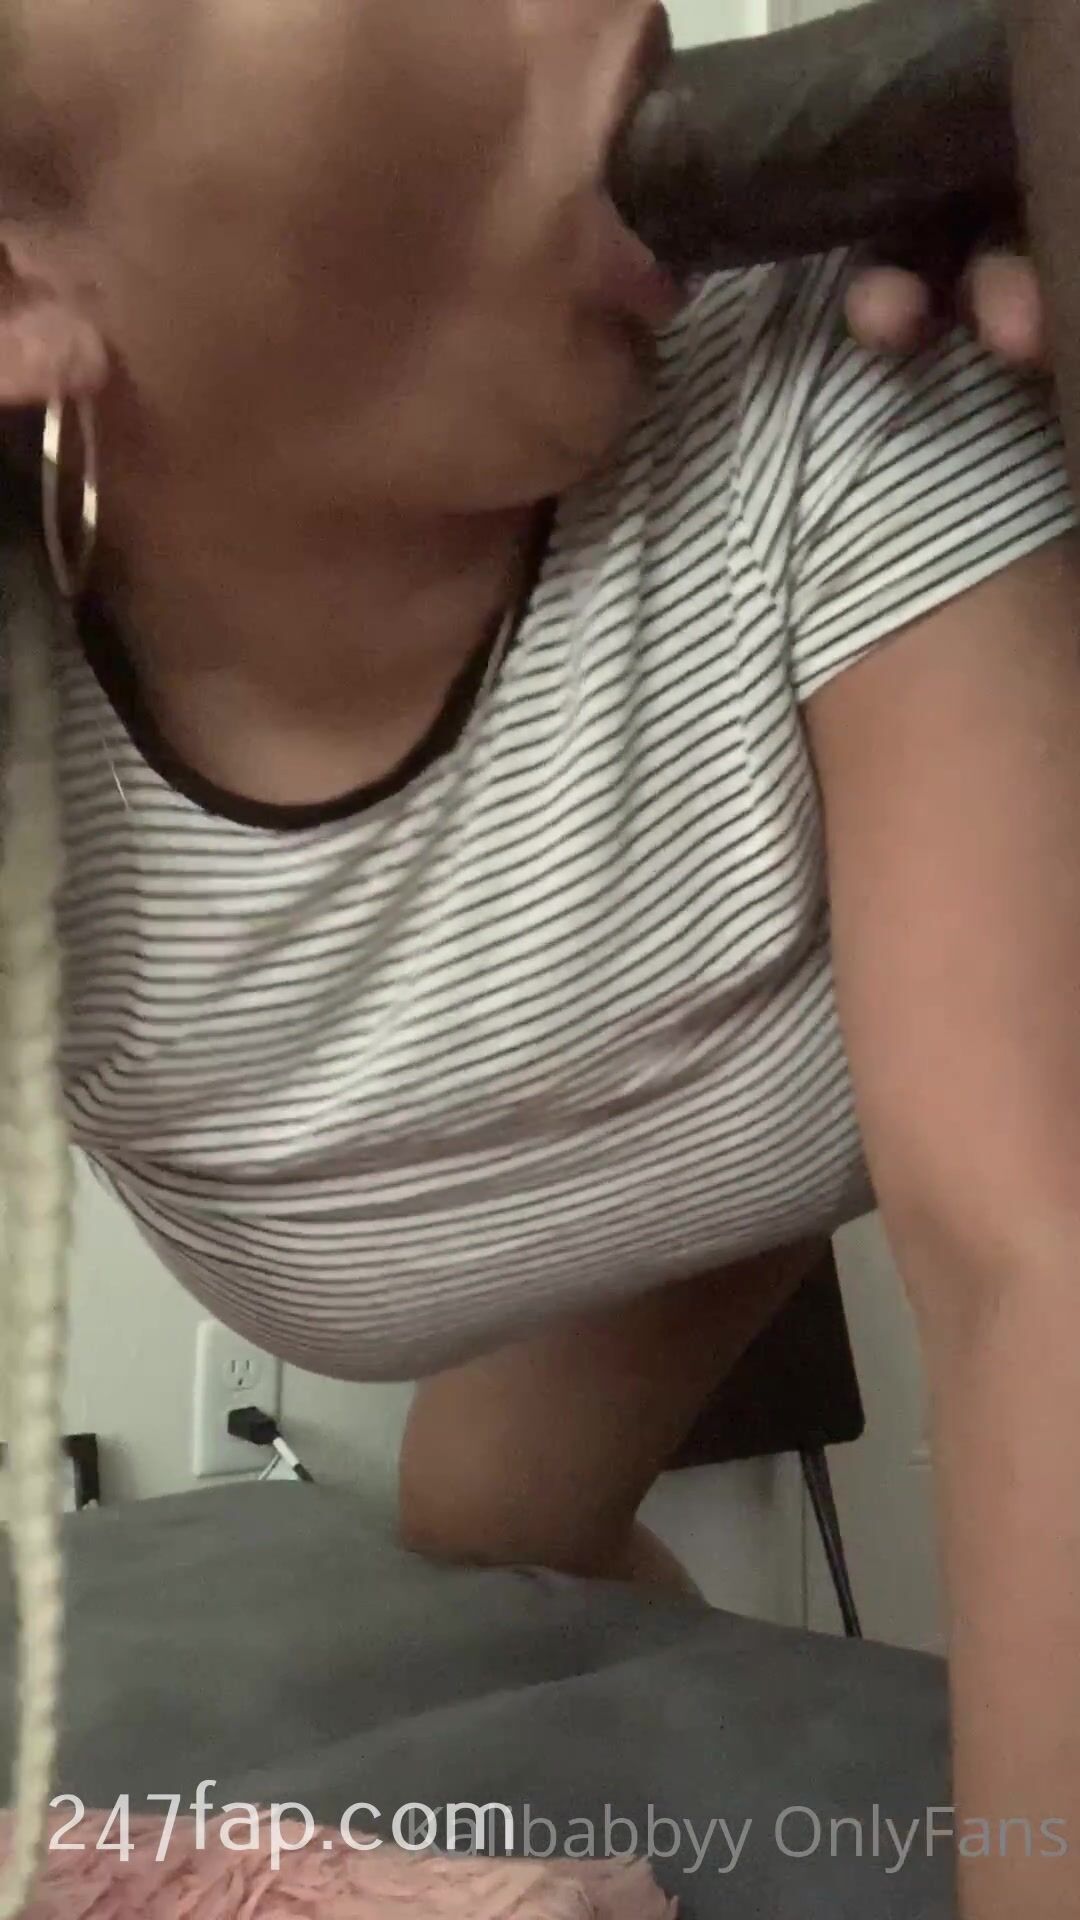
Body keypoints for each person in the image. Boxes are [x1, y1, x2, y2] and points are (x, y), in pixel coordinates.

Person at [0, 5, 1076, 1920]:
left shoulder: (848, 366)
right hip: (551, 1207)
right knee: (490, 1525)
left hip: (849, 1065)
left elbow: (1031, 1267)